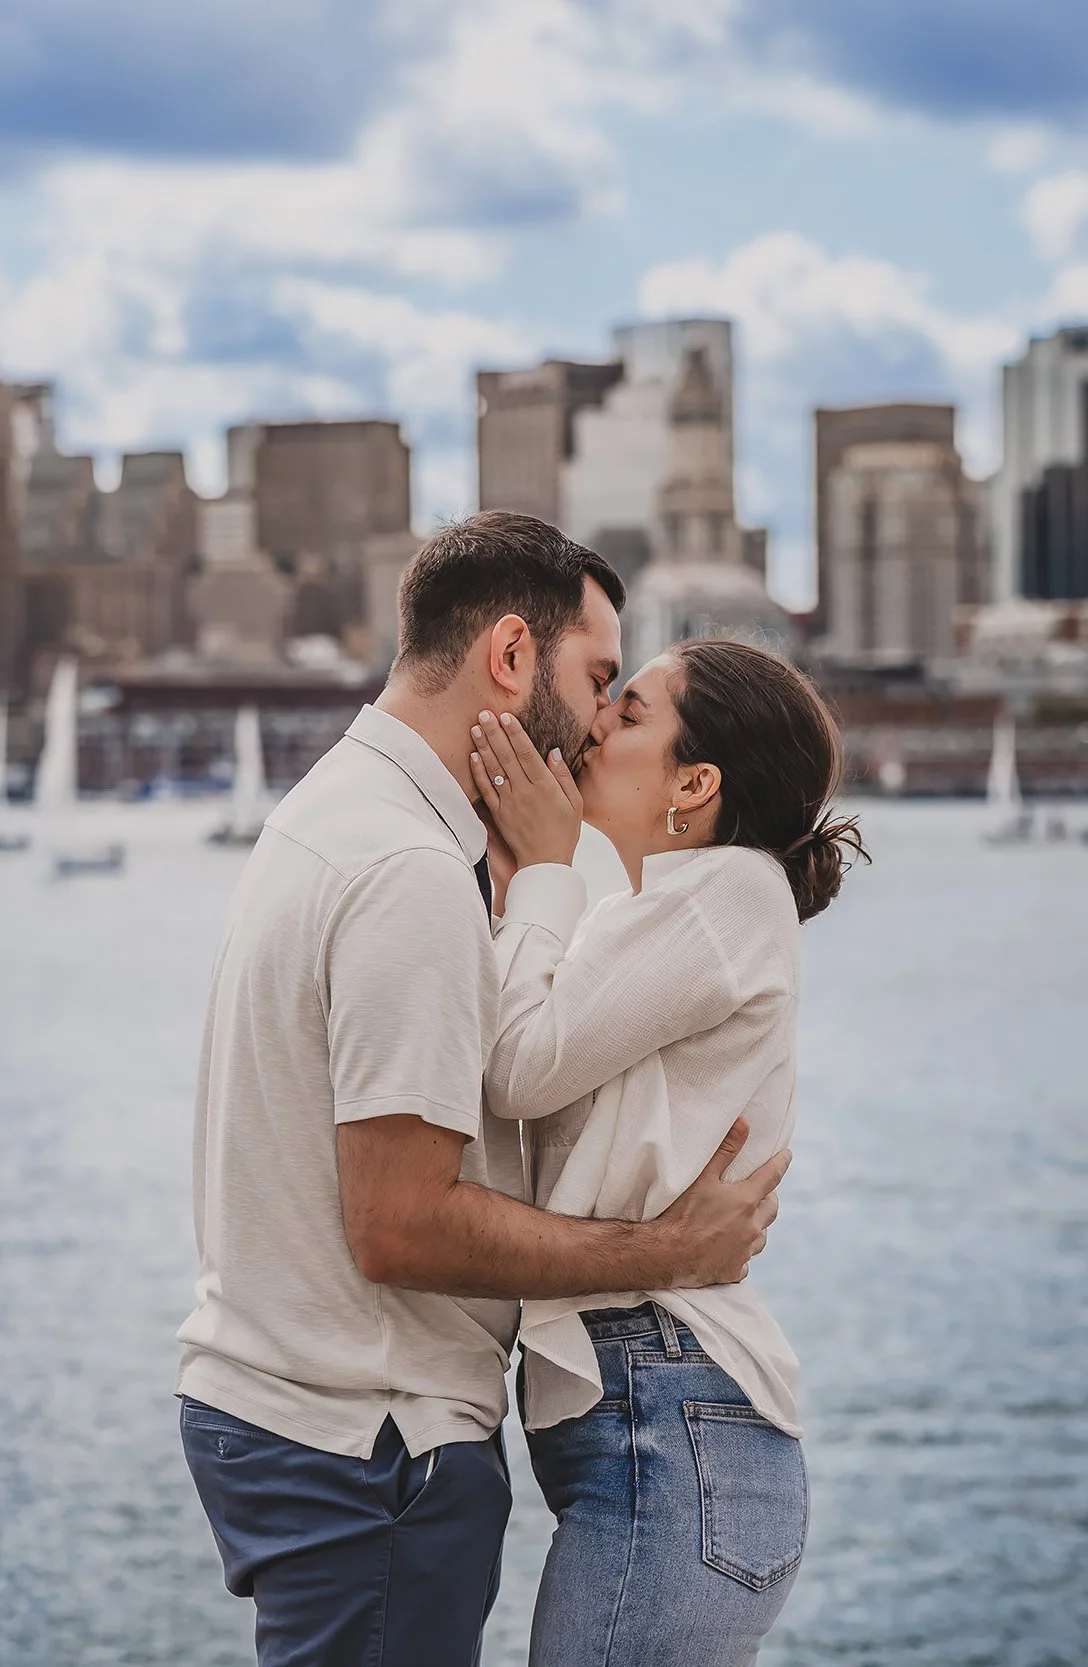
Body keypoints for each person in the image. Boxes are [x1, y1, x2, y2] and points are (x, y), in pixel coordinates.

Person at [177, 512, 792, 1667]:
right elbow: (401, 1223)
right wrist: (667, 1250)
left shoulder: (333, 814)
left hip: (294, 1408)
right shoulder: (409, 871)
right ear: (510, 657)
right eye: (599, 677)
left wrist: (527, 882)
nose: (603, 714)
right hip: (370, 1434)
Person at [466, 637, 865, 1667]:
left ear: (696, 781)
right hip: (668, 1420)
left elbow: (516, 1063)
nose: (598, 722)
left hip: (672, 1414)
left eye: (630, 712)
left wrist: (542, 873)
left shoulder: (726, 892)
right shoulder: (667, 909)